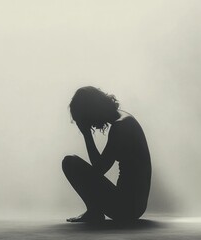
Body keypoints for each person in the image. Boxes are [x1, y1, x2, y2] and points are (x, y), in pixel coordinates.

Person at [62, 86, 151, 223]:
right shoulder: (124, 118)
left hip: (126, 208)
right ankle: (94, 211)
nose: (91, 125)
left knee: (69, 163)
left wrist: (87, 134)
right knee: (72, 162)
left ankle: (94, 212)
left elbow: (99, 169)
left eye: (86, 120)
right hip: (134, 206)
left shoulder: (120, 127)